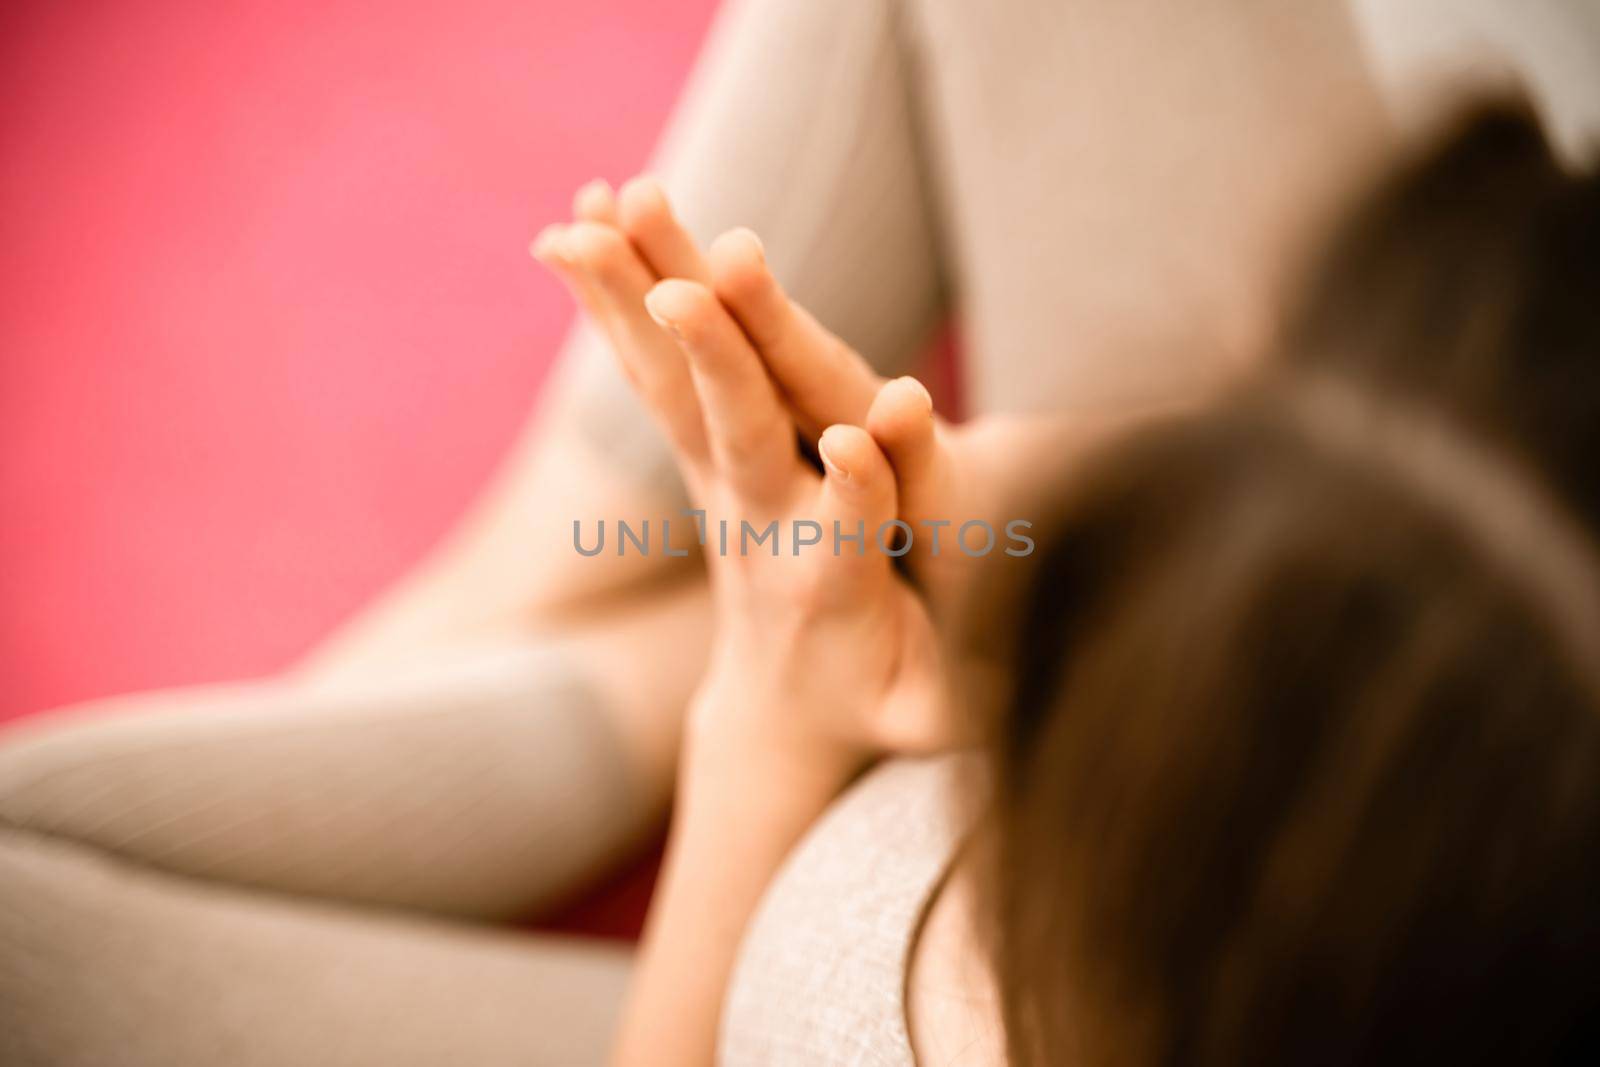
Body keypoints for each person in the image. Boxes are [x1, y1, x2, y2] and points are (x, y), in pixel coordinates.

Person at [3, 0, 1599, 1060]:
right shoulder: (1504, 604)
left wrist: (766, 710)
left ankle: (634, 623)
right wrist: (987, 509)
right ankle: (576, 558)